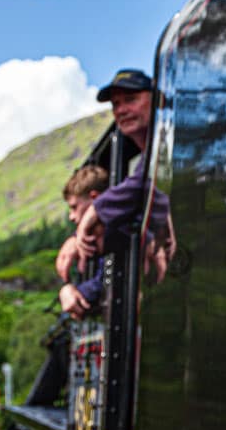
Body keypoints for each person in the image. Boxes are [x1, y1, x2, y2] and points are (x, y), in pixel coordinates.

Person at [57, 69, 172, 285]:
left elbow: (147, 182)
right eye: (115, 104)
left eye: (130, 100)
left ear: (159, 101)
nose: (121, 110)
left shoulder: (170, 146)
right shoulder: (150, 158)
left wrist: (93, 213)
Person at [56, 165, 109, 319]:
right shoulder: (93, 238)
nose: (71, 217)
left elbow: (105, 282)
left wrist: (73, 291)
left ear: (95, 199)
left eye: (74, 207)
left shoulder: (119, 232)